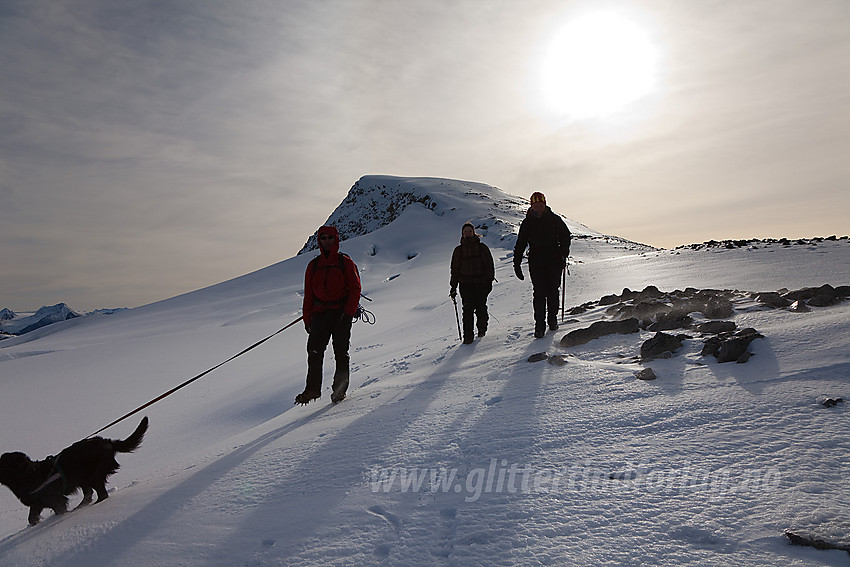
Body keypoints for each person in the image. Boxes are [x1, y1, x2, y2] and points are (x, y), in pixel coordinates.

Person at [296, 225, 362, 405]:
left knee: (341, 351)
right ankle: (312, 390)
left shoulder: (345, 262)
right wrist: (307, 319)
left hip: (341, 313)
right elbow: (308, 294)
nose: (326, 241)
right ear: (319, 241)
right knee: (314, 351)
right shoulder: (313, 265)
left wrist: (348, 313)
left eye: (329, 238)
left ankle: (339, 390)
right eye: (323, 238)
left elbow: (355, 289)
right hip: (320, 314)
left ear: (336, 239)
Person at [513, 192, 571, 339]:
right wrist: (517, 263)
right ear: (531, 206)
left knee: (553, 290)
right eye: (536, 206)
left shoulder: (554, 219)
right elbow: (520, 243)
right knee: (539, 293)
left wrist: (564, 252)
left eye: (541, 205)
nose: (538, 208)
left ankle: (552, 319)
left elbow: (565, 236)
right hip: (536, 261)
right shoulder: (527, 223)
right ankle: (539, 325)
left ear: (544, 204)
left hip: (554, 259)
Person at [450, 222, 495, 344]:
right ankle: (468, 336)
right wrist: (453, 287)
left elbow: (489, 265)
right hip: (465, 284)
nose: (467, 233)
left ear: (473, 232)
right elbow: (454, 269)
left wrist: (489, 281)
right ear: (462, 234)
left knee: (480, 307)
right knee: (467, 309)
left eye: (469, 231)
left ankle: (482, 329)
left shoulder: (482, 248)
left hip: (481, 283)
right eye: (465, 232)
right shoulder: (458, 251)